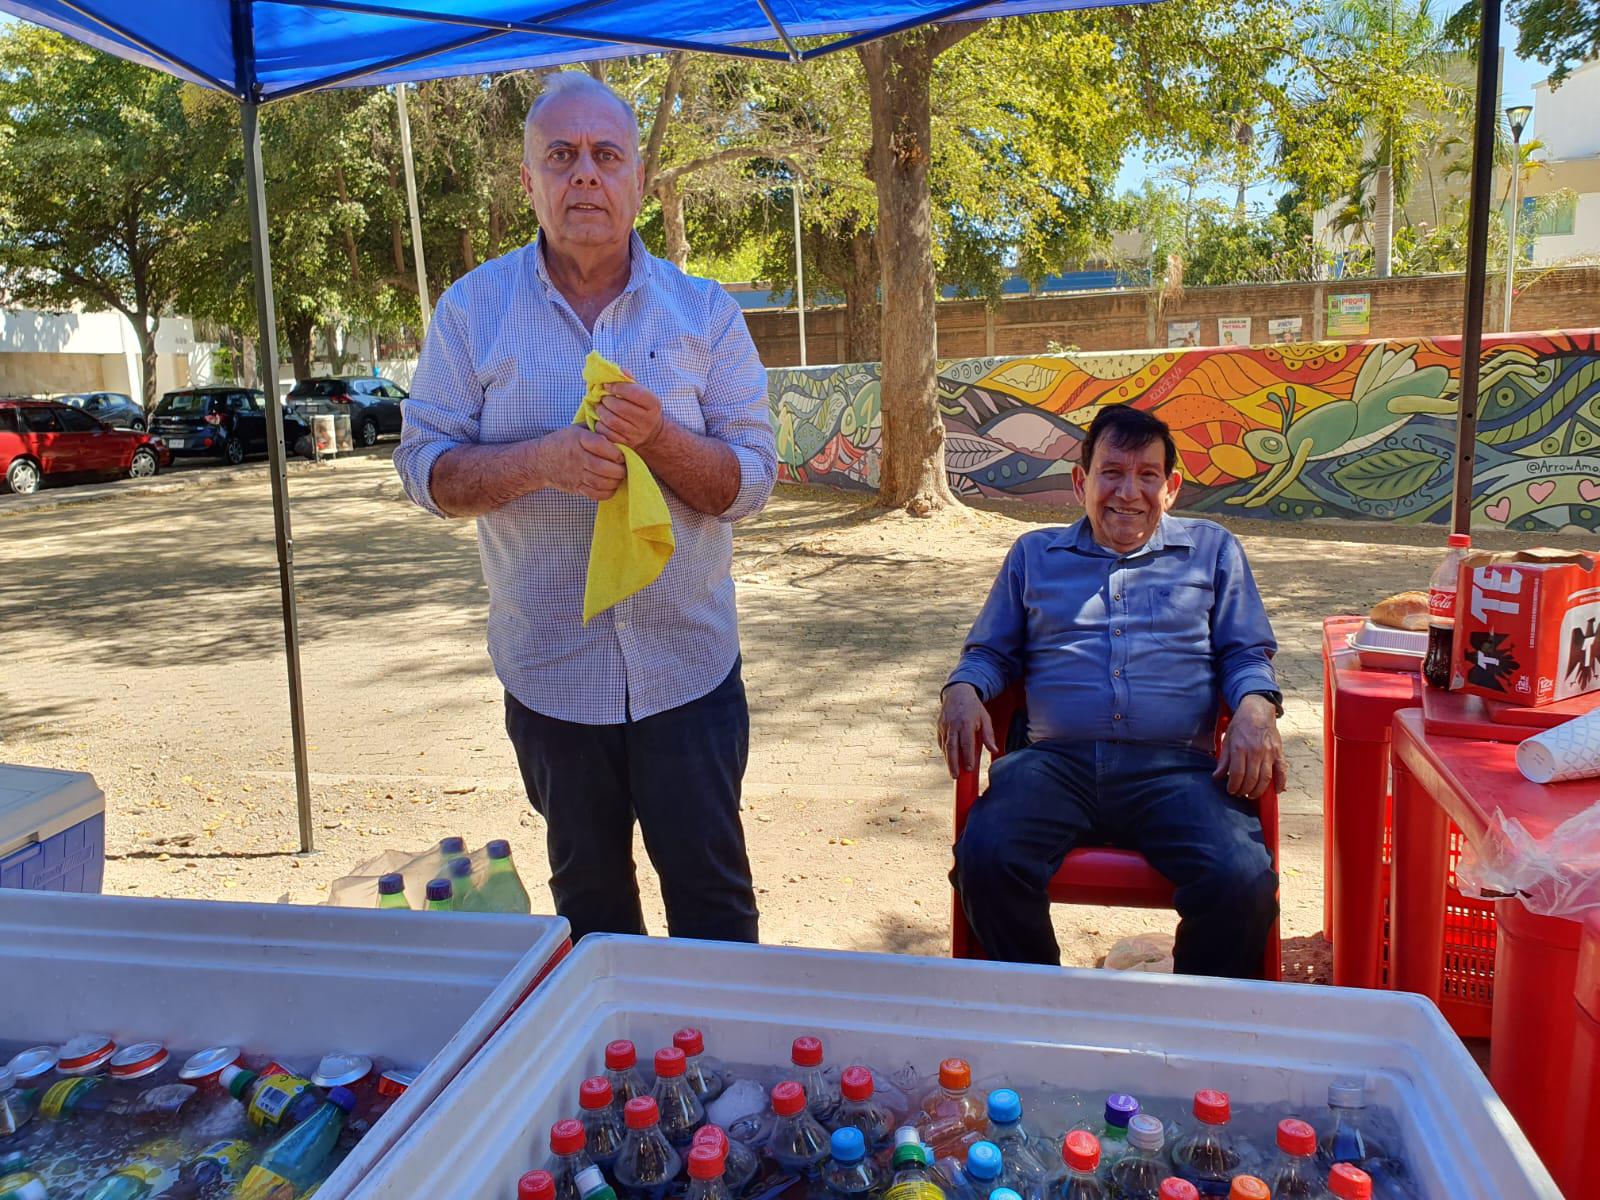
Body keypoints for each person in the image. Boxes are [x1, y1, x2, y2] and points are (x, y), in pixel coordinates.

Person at [393, 71, 776, 943]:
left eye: (607, 155)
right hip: (551, 677)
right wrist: (542, 462)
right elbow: (422, 468)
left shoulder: (706, 312)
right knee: (591, 917)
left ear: (639, 178)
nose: (585, 176)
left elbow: (752, 481)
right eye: (561, 156)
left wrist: (661, 439)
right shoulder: (472, 310)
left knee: (716, 910)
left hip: (688, 672)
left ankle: (715, 1041)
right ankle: (614, 1040)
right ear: (528, 181)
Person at [937, 404, 1284, 977]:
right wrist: (962, 687)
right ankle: (1044, 1006)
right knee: (987, 859)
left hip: (1177, 772)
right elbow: (989, 654)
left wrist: (1256, 707)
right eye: (1112, 472)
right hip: (1054, 767)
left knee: (1242, 881)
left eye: (1147, 475)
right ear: (1081, 483)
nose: (1129, 492)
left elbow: (1245, 653)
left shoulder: (1213, 551)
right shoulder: (1033, 556)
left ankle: (1188, 1015)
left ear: (1171, 487)